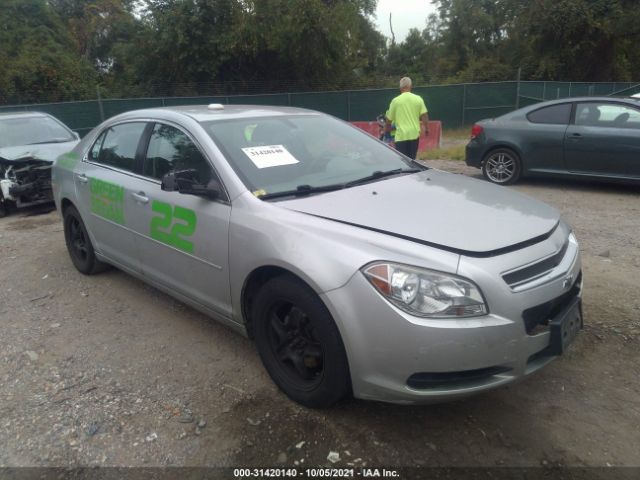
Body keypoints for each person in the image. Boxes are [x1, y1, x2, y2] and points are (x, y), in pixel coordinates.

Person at [385, 76, 429, 159]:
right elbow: (424, 115)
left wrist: (387, 132)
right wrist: (426, 129)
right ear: (410, 86)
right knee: (412, 160)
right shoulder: (418, 99)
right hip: (414, 134)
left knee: (403, 161)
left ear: (400, 87)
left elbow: (388, 120)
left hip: (401, 136)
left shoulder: (395, 101)